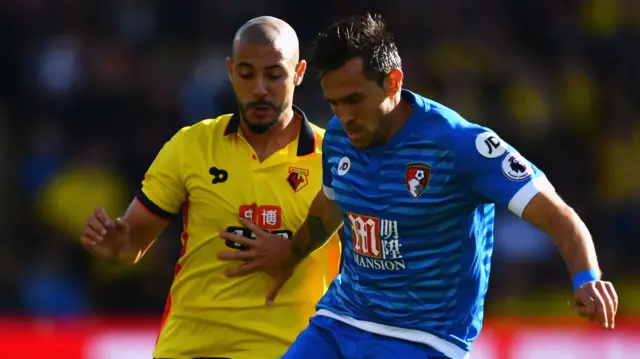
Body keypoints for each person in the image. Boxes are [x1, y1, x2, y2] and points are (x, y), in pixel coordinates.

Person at [217, 13, 619, 359]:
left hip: (423, 338)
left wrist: (586, 278)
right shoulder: (340, 136)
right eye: (335, 102)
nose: (344, 116)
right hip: (340, 321)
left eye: (355, 99)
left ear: (393, 82)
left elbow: (557, 213)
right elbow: (332, 206)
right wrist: (291, 254)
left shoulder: (460, 145)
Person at [79, 16, 341, 359]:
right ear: (231, 71)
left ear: (299, 72)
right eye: (247, 73)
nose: (259, 87)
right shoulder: (191, 146)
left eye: (274, 74)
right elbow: (132, 243)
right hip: (192, 349)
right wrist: (117, 244)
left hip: (288, 351)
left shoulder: (334, 159)